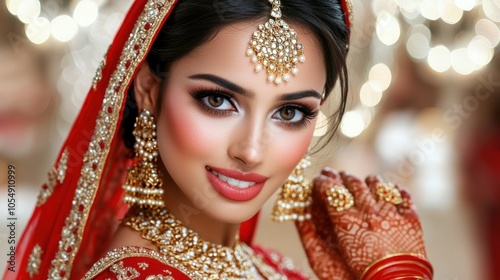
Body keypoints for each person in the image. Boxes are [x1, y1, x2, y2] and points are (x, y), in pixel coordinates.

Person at [4, 0, 433, 279]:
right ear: (149, 90)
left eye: (290, 112)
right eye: (217, 100)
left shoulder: (265, 267)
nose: (250, 150)